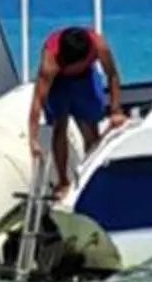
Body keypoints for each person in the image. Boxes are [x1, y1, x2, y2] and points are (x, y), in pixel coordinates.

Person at [28, 22, 123, 193]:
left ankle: (93, 175)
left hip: (85, 80)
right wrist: (33, 138)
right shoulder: (50, 63)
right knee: (59, 125)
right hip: (59, 83)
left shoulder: (99, 45)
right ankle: (62, 181)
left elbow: (113, 75)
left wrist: (116, 111)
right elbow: (37, 99)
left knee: (90, 128)